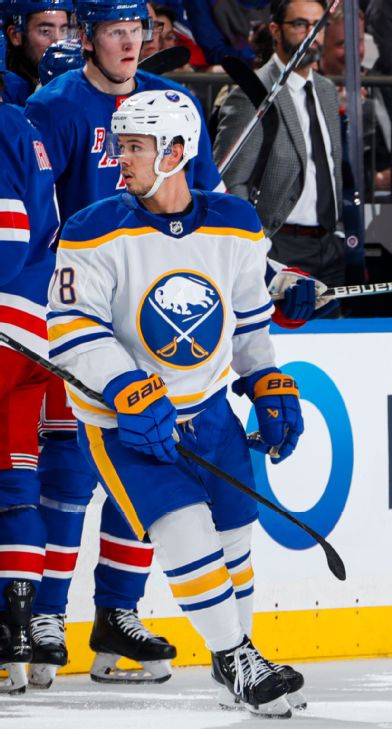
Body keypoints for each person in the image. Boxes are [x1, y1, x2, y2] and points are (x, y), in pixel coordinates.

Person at [47, 90, 305, 716]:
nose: (122, 158)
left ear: (176, 152)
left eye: (136, 147)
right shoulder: (92, 229)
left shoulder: (235, 223)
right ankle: (237, 659)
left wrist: (266, 379)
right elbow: (72, 328)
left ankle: (238, 657)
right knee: (184, 529)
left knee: (236, 533)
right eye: (121, 145)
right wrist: (124, 386)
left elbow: (247, 321)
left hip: (208, 411)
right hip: (122, 424)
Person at [22, 0, 227, 687]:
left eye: (138, 29)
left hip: (155, 318)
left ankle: (117, 613)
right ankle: (46, 615)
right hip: (81, 316)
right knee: (71, 473)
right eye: (115, 31)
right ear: (89, 37)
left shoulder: (172, 102)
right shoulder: (55, 106)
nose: (131, 42)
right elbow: (38, 212)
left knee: (146, 465)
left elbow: (207, 201)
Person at [0, 35, 60, 695]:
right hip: (33, 332)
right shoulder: (23, 127)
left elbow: (7, 236)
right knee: (16, 484)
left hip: (1, 330)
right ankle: (16, 637)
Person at [214, 0, 346, 287]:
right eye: (300, 24)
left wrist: (338, 230)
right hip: (277, 245)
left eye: (318, 25)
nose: (311, 34)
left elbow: (331, 167)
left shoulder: (326, 90)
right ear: (275, 30)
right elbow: (230, 181)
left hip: (329, 246)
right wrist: (255, 242)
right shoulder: (251, 91)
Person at [2, 0, 73, 105]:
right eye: (45, 31)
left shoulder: (72, 81)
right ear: (15, 35)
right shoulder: (5, 92)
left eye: (63, 30)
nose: (59, 42)